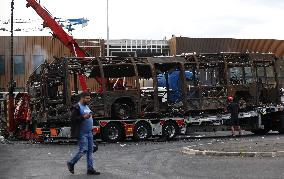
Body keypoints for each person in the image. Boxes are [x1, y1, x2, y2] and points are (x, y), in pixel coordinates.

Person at [67, 92, 100, 175]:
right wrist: (83, 117)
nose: (89, 100)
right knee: (83, 150)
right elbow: (73, 119)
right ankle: (71, 162)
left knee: (90, 151)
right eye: (87, 98)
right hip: (82, 133)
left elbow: (89, 117)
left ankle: (90, 169)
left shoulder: (86, 106)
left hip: (89, 132)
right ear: (82, 98)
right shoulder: (77, 107)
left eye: (89, 98)